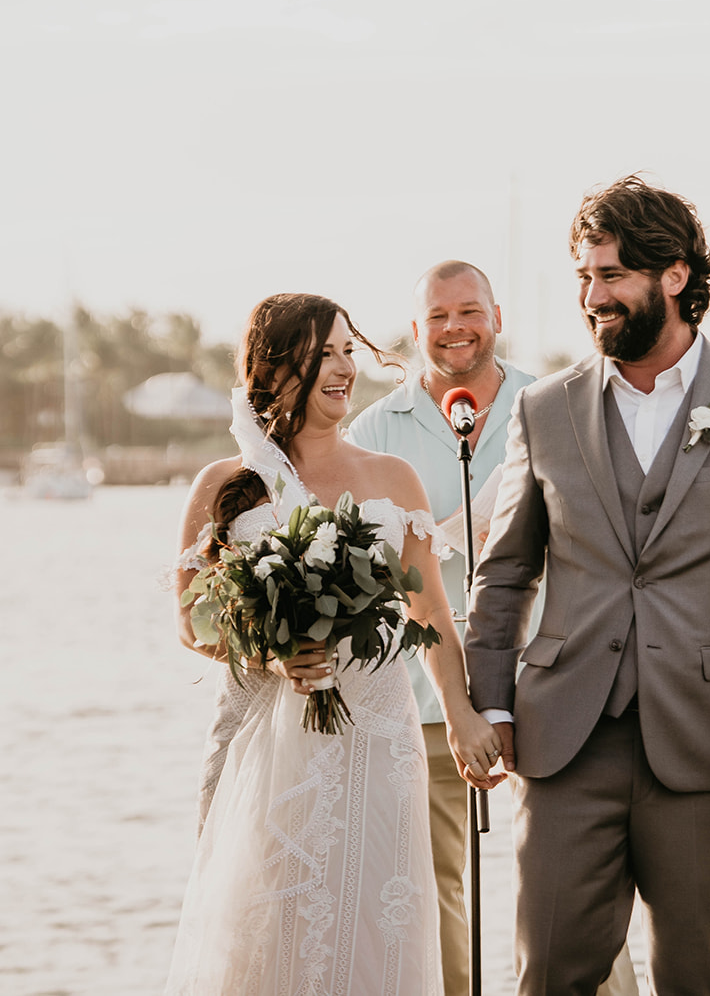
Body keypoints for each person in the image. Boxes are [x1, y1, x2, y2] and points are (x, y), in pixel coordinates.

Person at [464, 176, 710, 995]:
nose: (590, 297)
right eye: (583, 278)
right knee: (549, 974)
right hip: (564, 739)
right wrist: (489, 703)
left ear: (673, 275)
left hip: (709, 740)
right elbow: (503, 572)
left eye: (609, 276)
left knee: (690, 979)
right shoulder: (541, 409)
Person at [164, 293, 502, 996]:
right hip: (262, 731)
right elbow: (192, 619)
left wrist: (464, 715)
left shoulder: (391, 479)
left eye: (350, 349)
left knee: (377, 922)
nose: (344, 366)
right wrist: (267, 650)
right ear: (276, 366)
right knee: (264, 921)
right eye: (324, 353)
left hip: (376, 734)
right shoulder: (225, 485)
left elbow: (430, 612)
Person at [346, 261, 638, 996]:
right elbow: (360, 569)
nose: (454, 328)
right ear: (416, 331)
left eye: (468, 310)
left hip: (552, 682)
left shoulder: (559, 402)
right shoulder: (375, 430)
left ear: (497, 316)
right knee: (433, 893)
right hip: (423, 695)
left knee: (576, 886)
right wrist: (435, 539)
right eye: (437, 316)